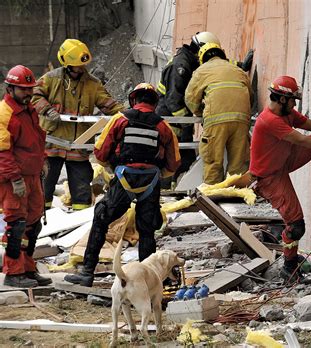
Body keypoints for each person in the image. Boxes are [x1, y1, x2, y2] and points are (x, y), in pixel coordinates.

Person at [64, 83, 181, 287]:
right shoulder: (164, 126)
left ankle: (87, 273)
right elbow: (174, 163)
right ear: (155, 102)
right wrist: (155, 174)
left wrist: (114, 167)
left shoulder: (120, 120)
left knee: (101, 218)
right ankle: (148, 282)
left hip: (124, 179)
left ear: (133, 100)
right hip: (151, 183)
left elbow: (100, 152)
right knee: (146, 231)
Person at [248, 76, 311, 283]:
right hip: (270, 178)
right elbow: (302, 139)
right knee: (296, 225)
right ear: (282, 99)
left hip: (283, 162)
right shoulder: (270, 120)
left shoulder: (285, 112)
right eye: (292, 100)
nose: (294, 104)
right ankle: (289, 269)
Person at [31, 38, 124, 211]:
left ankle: (81, 218)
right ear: (67, 64)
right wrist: (48, 110)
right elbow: (34, 95)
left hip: (78, 145)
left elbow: (108, 105)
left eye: (83, 65)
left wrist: (127, 115)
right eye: (77, 66)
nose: (81, 69)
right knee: (43, 186)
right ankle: (40, 220)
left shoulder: (92, 84)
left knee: (81, 187)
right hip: (52, 142)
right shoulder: (51, 79)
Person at [157, 31, 253, 188]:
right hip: (172, 121)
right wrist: (188, 123)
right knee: (174, 158)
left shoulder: (197, 63)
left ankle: (212, 196)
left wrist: (202, 114)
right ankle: (167, 188)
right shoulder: (179, 66)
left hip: (195, 120)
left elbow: (192, 96)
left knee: (210, 160)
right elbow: (174, 100)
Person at [0, 65, 52, 287]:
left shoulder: (28, 109)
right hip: (15, 179)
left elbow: (34, 139)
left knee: (33, 224)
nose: (28, 93)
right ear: (10, 88)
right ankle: (13, 273)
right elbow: (2, 151)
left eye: (29, 89)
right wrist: (15, 178)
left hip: (31, 175)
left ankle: (28, 269)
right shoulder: (5, 113)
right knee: (17, 224)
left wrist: (44, 159)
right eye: (23, 89)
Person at [185, 42, 252, 184]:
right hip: (241, 120)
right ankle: (236, 197)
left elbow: (190, 99)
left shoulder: (201, 71)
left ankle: (212, 198)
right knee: (239, 165)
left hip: (215, 122)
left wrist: (200, 113)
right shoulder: (238, 70)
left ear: (202, 58)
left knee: (213, 162)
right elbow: (250, 96)